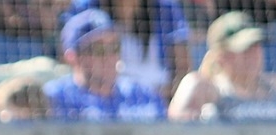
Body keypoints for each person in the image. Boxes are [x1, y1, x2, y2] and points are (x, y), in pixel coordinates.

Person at [43, 8, 167, 121]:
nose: (109, 56)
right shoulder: (54, 98)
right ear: (72, 57)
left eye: (114, 47)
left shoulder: (143, 94)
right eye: (99, 49)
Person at [64, 0, 192, 101]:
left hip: (158, 98)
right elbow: (70, 48)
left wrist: (157, 97)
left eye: (114, 47)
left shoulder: (166, 8)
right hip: (104, 93)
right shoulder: (87, 6)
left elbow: (183, 70)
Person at [168, 11, 276, 121]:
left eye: (256, 45)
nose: (254, 54)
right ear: (221, 57)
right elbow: (176, 132)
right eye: (245, 48)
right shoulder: (208, 90)